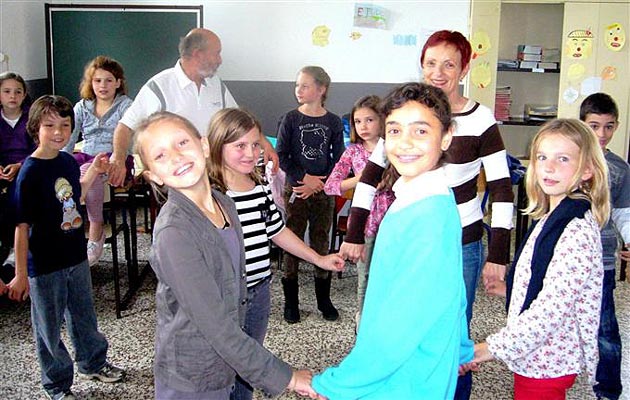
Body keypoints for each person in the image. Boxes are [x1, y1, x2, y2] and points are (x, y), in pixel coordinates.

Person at [338, 30, 514, 398]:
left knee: (449, 331)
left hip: (461, 236)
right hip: (410, 222)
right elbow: (370, 177)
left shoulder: (480, 120)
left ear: (465, 68)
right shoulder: (408, 114)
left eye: (449, 64)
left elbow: (501, 189)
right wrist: (354, 233)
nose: (438, 71)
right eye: (431, 63)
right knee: (421, 327)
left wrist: (498, 254)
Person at [133, 111, 319, 400]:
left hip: (226, 363)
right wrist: (288, 377)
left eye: (182, 143)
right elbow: (215, 325)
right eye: (160, 155)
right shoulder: (175, 233)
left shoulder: (223, 203)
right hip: (194, 375)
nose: (176, 156)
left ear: (204, 146)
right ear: (153, 175)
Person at [312, 82, 473, 399]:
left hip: (404, 378)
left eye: (421, 131)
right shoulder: (421, 197)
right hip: (418, 370)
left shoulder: (428, 215)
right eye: (395, 131)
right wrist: (463, 348)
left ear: (447, 136)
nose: (405, 143)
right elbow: (452, 288)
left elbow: (400, 322)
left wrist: (340, 383)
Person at [206, 107, 345, 400]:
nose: (250, 153)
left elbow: (278, 231)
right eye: (239, 146)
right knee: (223, 362)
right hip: (224, 295)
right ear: (218, 146)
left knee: (249, 361)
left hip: (259, 291)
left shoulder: (258, 186)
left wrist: (318, 258)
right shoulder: (209, 191)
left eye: (256, 144)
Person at [470, 118, 610, 400]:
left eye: (563, 158)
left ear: (587, 170)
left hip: (548, 361)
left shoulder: (575, 229)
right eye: (542, 156)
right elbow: (551, 280)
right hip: (538, 355)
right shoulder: (555, 215)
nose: (549, 166)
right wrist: (512, 289)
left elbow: (550, 312)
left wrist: (486, 349)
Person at [7, 95, 125, 400]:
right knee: (48, 326)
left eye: (65, 125)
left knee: (84, 315)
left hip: (75, 255)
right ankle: (56, 383)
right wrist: (20, 274)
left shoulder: (67, 161)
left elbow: (75, 197)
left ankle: (92, 360)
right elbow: (21, 229)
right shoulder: (29, 173)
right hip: (45, 265)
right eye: (50, 125)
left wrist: (95, 173)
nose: (59, 132)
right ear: (35, 129)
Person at [108, 28, 278, 188]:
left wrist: (266, 146)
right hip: (178, 177)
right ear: (198, 54)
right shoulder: (158, 86)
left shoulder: (215, 83)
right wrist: (118, 158)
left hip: (214, 174)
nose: (220, 60)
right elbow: (125, 126)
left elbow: (240, 121)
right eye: (217, 53)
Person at [276, 65, 345, 323]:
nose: (298, 90)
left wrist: (321, 183)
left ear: (321, 89)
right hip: (296, 189)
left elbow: (339, 160)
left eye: (304, 85)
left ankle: (323, 300)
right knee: (292, 239)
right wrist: (305, 179)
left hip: (323, 191)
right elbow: (282, 156)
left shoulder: (333, 122)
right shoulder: (290, 119)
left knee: (320, 241)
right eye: (297, 85)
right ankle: (291, 301)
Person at [322, 95, 394, 329]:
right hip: (364, 224)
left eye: (369, 120)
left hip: (394, 220)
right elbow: (331, 185)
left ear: (382, 120)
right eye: (357, 121)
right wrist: (361, 179)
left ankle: (387, 322)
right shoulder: (353, 152)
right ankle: (363, 324)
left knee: (392, 274)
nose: (363, 126)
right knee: (366, 277)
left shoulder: (394, 147)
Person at [579, 93, 629, 400]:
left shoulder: (619, 168)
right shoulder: (569, 159)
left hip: (602, 261)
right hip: (566, 258)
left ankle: (609, 391)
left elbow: (623, 213)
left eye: (609, 127)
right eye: (594, 126)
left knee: (605, 331)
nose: (601, 134)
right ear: (582, 124)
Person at [61, 56, 134, 265]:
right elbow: (70, 137)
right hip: (86, 156)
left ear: (118, 82)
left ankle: (95, 230)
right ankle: (66, 230)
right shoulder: (82, 107)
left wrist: (114, 159)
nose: (103, 85)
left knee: (89, 172)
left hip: (116, 159)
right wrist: (62, 164)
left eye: (109, 80)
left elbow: (128, 138)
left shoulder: (126, 105)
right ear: (90, 83)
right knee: (69, 174)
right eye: (97, 80)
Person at [0, 72, 36, 262]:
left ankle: (19, 248)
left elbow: (39, 149)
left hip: (27, 168)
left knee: (19, 193)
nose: (12, 96)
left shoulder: (32, 117)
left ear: (24, 95)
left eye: (17, 92)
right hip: (2, 172)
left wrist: (19, 166)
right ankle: (5, 246)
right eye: (6, 91)